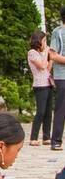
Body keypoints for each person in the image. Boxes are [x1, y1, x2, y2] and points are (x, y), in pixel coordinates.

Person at [28, 29, 61, 146]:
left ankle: (46, 137)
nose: (45, 43)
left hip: (48, 84)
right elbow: (42, 66)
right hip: (39, 85)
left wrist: (50, 58)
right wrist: (46, 52)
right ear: (39, 40)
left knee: (48, 112)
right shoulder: (32, 53)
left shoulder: (43, 53)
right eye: (44, 40)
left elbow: (47, 69)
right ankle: (33, 137)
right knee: (40, 112)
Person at [49, 8, 65, 151]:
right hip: (62, 76)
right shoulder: (57, 32)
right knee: (61, 109)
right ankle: (56, 141)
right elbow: (53, 55)